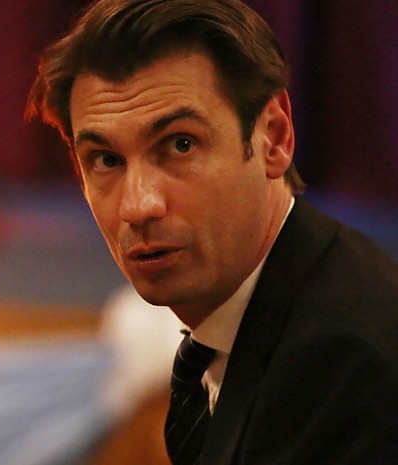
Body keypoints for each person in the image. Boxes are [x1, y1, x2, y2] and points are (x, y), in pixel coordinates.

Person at [28, 0, 398, 463]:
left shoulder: (343, 366)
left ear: (274, 137)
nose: (138, 206)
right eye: (106, 160)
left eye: (181, 144)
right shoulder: (269, 318)